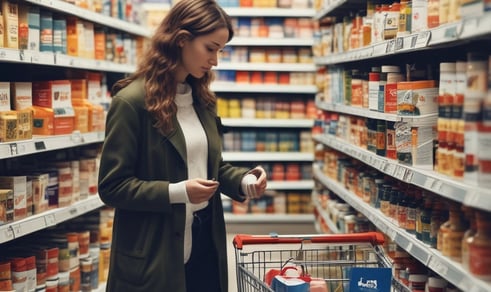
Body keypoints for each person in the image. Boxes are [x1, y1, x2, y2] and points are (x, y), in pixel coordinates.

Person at [97, 0, 268, 291]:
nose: (215, 60)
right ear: (181, 40)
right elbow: (112, 187)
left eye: (220, 51)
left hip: (205, 242)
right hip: (154, 251)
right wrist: (178, 192)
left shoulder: (202, 100)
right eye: (210, 48)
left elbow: (211, 166)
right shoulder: (132, 102)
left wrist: (243, 181)